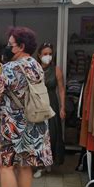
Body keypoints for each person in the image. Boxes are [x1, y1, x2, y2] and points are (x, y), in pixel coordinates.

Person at [0, 27, 53, 187]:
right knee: (25, 167)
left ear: (21, 47)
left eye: (10, 44)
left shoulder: (10, 68)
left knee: (5, 166)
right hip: (34, 123)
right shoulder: (37, 65)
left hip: (12, 126)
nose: (7, 47)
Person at [34, 43, 66, 178]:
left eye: (50, 54)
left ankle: (49, 162)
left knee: (52, 135)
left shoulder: (57, 70)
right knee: (39, 136)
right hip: (38, 104)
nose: (48, 56)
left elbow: (61, 89)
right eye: (45, 54)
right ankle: (39, 165)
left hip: (52, 104)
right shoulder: (34, 69)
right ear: (39, 55)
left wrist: (62, 107)